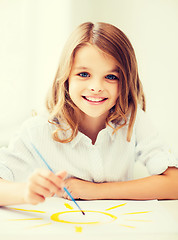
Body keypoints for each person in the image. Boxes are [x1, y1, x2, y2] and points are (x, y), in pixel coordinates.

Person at [0, 22, 178, 206]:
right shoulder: (37, 130)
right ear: (66, 77)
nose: (96, 87)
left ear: (125, 82)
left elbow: (174, 183)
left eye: (111, 77)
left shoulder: (133, 120)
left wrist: (95, 191)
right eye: (84, 74)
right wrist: (25, 192)